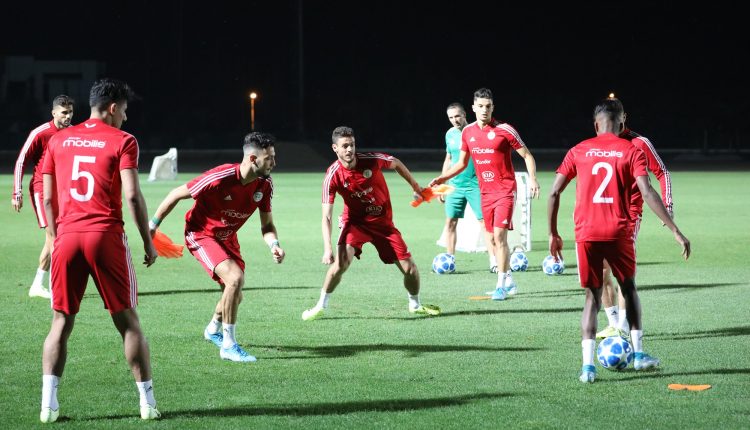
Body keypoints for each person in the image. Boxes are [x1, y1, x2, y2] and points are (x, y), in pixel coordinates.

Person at [40, 78, 159, 422]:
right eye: (124, 109)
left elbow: (48, 197)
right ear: (112, 107)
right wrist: (148, 242)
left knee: (60, 322)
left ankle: (48, 406)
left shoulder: (59, 139)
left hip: (67, 235)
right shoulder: (124, 141)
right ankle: (147, 404)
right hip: (104, 235)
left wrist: (53, 235)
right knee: (128, 323)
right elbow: (133, 196)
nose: (125, 116)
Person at [547, 97, 690, 383]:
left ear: (596, 123)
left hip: (586, 233)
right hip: (619, 231)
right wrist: (674, 228)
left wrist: (553, 233)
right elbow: (647, 191)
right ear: (622, 121)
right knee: (629, 289)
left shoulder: (578, 150)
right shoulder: (630, 148)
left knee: (591, 298)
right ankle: (638, 355)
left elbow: (553, 193)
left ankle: (587, 368)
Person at [149, 132, 283, 363]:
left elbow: (267, 224)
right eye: (269, 158)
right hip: (201, 234)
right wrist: (151, 229)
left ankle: (212, 330)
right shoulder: (220, 176)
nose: (274, 162)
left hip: (228, 237)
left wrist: (274, 244)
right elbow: (175, 194)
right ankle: (229, 345)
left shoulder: (265, 184)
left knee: (234, 295)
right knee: (234, 278)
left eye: (273, 156)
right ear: (252, 159)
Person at [301, 126, 441, 321]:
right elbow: (326, 216)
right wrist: (327, 248)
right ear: (335, 148)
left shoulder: (372, 160)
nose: (349, 150)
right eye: (344, 146)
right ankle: (320, 306)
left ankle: (415, 305)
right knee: (341, 264)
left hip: (383, 225)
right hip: (355, 224)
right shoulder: (333, 175)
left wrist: (416, 187)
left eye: (352, 144)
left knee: (410, 269)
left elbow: (396, 163)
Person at [429, 88, 540, 301]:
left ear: (493, 108)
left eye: (488, 106)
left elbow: (527, 155)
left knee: (499, 236)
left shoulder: (505, 130)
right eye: (480, 106)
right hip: (485, 192)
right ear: (473, 108)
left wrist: (533, 179)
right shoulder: (468, 133)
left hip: (505, 191)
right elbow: (460, 163)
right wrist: (443, 179)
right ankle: (508, 279)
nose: (484, 110)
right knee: (491, 238)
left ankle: (500, 286)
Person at [596, 95, 675, 339]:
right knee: (600, 270)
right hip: (603, 213)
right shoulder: (599, 144)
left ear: (623, 119)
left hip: (630, 214)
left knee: (621, 269)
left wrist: (668, 206)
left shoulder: (639, 143)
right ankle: (613, 322)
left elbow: (661, 172)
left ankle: (622, 327)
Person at [12, 95, 74, 299]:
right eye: (64, 112)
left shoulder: (73, 133)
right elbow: (22, 160)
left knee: (54, 238)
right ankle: (57, 286)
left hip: (63, 190)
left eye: (70, 112)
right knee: (54, 237)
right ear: (54, 112)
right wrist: (17, 192)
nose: (68, 116)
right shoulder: (41, 132)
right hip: (41, 190)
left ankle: (38, 284)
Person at [439, 102, 496, 271]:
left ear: (465, 114)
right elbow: (448, 158)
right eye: (451, 117)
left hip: (475, 185)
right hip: (454, 186)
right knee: (450, 222)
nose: (455, 120)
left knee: (485, 224)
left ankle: (494, 261)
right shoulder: (449, 134)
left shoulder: (475, 131)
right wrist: (442, 185)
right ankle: (450, 260)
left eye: (457, 116)